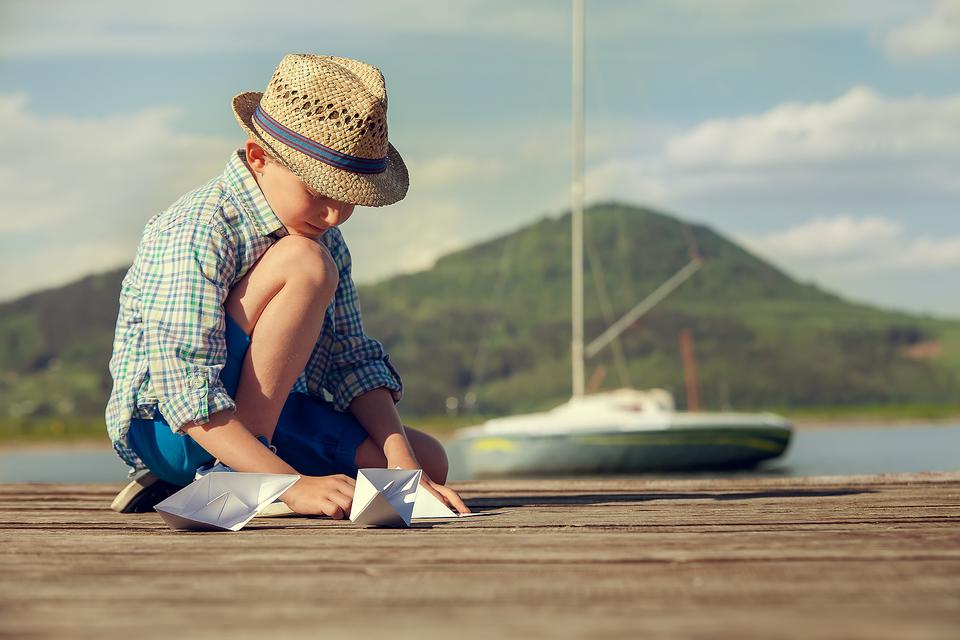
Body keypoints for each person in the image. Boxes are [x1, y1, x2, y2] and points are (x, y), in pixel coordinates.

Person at [105, 53, 468, 518]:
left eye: (347, 198)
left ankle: (226, 479)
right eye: (319, 192)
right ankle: (244, 478)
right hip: (173, 429)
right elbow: (184, 389)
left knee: (428, 460)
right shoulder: (198, 228)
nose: (334, 215)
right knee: (303, 263)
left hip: (272, 416)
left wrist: (403, 468)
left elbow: (349, 357)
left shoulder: (323, 235)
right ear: (258, 158)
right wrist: (290, 486)